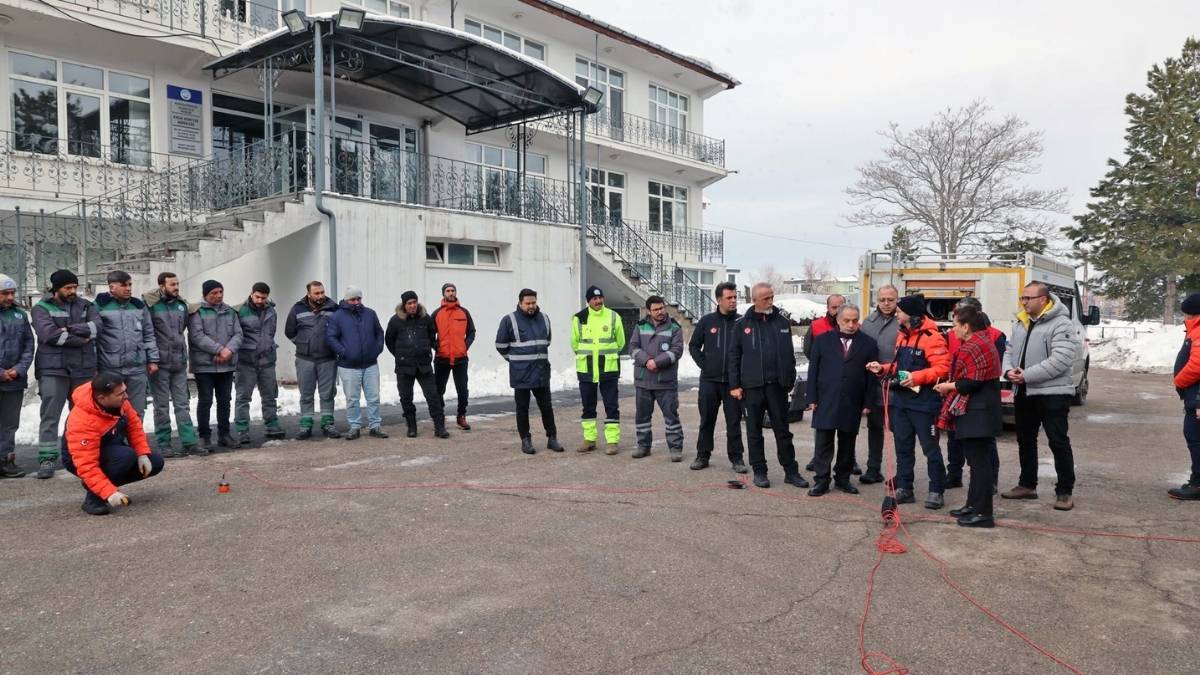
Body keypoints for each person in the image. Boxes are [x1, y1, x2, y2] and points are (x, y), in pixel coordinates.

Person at [866, 294, 950, 509]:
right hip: (902, 402)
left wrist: (917, 377)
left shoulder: (933, 336)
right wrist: (882, 368)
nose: (896, 314)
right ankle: (905, 487)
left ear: (911, 315)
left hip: (924, 404)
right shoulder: (902, 335)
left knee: (930, 449)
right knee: (903, 446)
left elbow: (942, 369)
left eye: (900, 311)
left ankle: (936, 490)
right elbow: (897, 367)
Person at [1000, 282, 1078, 511]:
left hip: (1053, 394)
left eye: (1028, 298)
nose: (1023, 302)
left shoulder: (1061, 323)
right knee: (1025, 440)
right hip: (1025, 391)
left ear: (1043, 299)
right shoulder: (1022, 322)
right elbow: (1009, 350)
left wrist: (1027, 375)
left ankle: (1064, 491)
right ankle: (1027, 485)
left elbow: (1061, 360)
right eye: (1022, 298)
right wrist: (1008, 371)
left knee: (1058, 441)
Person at [729, 282, 808, 489]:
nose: (771, 301)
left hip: (777, 387)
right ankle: (760, 471)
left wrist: (789, 379)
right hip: (751, 388)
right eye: (766, 298)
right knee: (754, 431)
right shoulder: (741, 325)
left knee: (783, 431)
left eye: (772, 297)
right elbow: (734, 357)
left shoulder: (782, 323)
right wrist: (735, 385)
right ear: (755, 300)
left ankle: (791, 471)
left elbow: (789, 354)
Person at [934, 304, 1003, 527]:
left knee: (980, 464)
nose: (952, 330)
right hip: (976, 411)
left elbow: (972, 382)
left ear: (966, 326)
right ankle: (973, 505)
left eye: (954, 325)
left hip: (978, 412)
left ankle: (983, 513)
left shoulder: (976, 345)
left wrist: (948, 386)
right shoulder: (979, 341)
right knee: (975, 462)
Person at [61, 372, 164, 516]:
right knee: (126, 456)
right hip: (78, 460)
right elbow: (86, 465)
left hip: (112, 450)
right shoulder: (83, 421)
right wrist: (109, 493)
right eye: (121, 394)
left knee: (156, 462)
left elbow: (134, 425)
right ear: (102, 398)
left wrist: (142, 454)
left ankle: (101, 486)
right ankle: (94, 498)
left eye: (125, 391)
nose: (126, 396)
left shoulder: (119, 401)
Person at [31, 269, 99, 479]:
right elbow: (49, 335)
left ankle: (77, 456)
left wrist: (68, 330)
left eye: (75, 287)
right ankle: (47, 458)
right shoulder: (41, 308)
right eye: (68, 288)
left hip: (82, 368)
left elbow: (97, 327)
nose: (72, 291)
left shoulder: (87, 305)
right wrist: (81, 338)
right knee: (50, 415)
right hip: (54, 369)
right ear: (56, 289)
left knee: (82, 416)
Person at [806, 303, 877, 496]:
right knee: (823, 443)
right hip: (825, 398)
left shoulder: (868, 343)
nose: (851, 324)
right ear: (838, 320)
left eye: (855, 320)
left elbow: (872, 377)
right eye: (847, 320)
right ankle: (821, 480)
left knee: (847, 443)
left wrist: (868, 403)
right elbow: (813, 371)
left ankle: (843, 479)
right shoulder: (822, 341)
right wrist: (811, 397)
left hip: (853, 400)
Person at [944, 297, 1006, 492]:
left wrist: (952, 385)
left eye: (958, 319)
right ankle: (955, 476)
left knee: (982, 449)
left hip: (975, 400)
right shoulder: (953, 335)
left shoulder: (993, 337)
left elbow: (984, 373)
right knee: (955, 440)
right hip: (958, 395)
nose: (954, 326)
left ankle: (989, 484)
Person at [688, 281, 747, 473]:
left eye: (735, 297)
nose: (733, 301)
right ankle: (702, 455)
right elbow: (694, 346)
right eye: (729, 298)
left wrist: (740, 374)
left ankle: (737, 458)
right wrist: (706, 365)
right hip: (709, 382)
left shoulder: (742, 322)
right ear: (719, 299)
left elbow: (748, 351)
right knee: (707, 420)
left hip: (733, 383)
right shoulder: (707, 322)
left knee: (734, 422)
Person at [495, 288, 561, 454]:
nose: (531, 306)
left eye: (533, 302)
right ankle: (526, 440)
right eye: (527, 303)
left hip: (541, 372)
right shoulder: (509, 320)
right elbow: (501, 345)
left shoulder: (544, 318)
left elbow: (547, 341)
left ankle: (552, 438)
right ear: (520, 303)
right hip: (521, 374)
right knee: (522, 409)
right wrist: (516, 360)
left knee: (546, 407)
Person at [144, 272, 199, 457]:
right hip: (159, 364)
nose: (176, 287)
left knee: (182, 404)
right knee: (161, 406)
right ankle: (164, 443)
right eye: (172, 284)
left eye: (177, 284)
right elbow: (148, 332)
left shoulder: (181, 305)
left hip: (179, 362)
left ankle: (189, 442)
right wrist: (152, 359)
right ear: (161, 286)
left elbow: (181, 330)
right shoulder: (151, 305)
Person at [94, 270, 159, 424]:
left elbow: (148, 334)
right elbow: (94, 339)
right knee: (110, 411)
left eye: (130, 285)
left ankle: (135, 447)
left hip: (137, 367)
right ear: (112, 287)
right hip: (110, 368)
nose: (129, 288)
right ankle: (115, 446)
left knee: (136, 411)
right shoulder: (99, 306)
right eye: (124, 285)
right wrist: (94, 367)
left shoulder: (138, 306)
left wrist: (153, 359)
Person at [188, 279, 242, 452]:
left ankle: (224, 435)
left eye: (220, 292)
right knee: (205, 401)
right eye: (214, 293)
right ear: (205, 295)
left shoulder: (230, 312)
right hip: (205, 365)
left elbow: (238, 334)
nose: (218, 296)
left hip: (226, 365)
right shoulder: (197, 312)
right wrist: (220, 350)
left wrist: (228, 351)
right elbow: (197, 336)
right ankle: (204, 437)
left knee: (225, 400)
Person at [327, 286, 386, 440]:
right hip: (348, 365)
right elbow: (331, 337)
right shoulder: (337, 316)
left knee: (373, 397)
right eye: (353, 299)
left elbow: (379, 333)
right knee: (352, 398)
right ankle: (355, 426)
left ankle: (375, 426)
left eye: (359, 298)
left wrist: (377, 349)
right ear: (346, 300)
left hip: (370, 364)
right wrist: (344, 352)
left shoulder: (370, 314)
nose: (356, 302)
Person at [630, 295, 685, 461]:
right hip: (643, 380)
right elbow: (632, 347)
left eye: (662, 308)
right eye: (656, 309)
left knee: (671, 416)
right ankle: (643, 446)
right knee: (642, 416)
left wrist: (657, 362)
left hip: (665, 382)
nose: (660, 312)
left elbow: (677, 350)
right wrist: (646, 361)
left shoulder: (674, 327)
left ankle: (675, 448)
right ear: (649, 311)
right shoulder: (640, 326)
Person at [284, 281, 342, 440]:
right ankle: (306, 425)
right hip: (305, 359)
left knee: (327, 393)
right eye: (316, 293)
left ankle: (328, 423)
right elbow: (289, 331)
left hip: (327, 358)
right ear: (309, 294)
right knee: (306, 393)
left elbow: (339, 331)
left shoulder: (334, 308)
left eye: (322, 292)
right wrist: (303, 343)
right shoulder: (297, 308)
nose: (320, 296)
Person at [571, 286, 625, 455]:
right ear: (588, 301)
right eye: (594, 299)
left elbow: (621, 342)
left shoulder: (613, 316)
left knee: (611, 405)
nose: (598, 301)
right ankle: (589, 439)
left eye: (600, 298)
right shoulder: (579, 318)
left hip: (608, 369)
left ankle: (612, 441)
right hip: (586, 369)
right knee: (588, 406)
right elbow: (574, 343)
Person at [386, 290, 445, 439]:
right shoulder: (395, 321)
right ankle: (411, 426)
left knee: (433, 396)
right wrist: (401, 355)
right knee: (406, 397)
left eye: (414, 302)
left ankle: (439, 427)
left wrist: (432, 349)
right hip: (404, 367)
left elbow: (432, 337)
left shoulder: (425, 318)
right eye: (409, 303)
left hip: (424, 365)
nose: (412, 305)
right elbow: (389, 341)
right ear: (404, 305)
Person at [858, 284, 900, 484]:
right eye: (882, 299)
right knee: (874, 431)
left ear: (897, 300)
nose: (885, 303)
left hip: (898, 388)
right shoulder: (868, 323)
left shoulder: (903, 322)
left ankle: (902, 474)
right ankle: (873, 469)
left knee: (901, 434)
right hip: (873, 389)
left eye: (890, 300)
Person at [234, 282, 283, 446]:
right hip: (246, 362)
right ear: (251, 293)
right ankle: (242, 431)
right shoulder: (240, 310)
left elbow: (271, 333)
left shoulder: (271, 311)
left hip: (267, 360)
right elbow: (236, 334)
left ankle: (272, 425)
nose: (260, 300)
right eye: (257, 296)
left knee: (270, 396)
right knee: (243, 398)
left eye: (263, 297)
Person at [0, 274, 33, 478]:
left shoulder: (20, 315)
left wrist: (18, 369)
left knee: (10, 423)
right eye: (5, 293)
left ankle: (5, 460)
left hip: (14, 380)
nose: (10, 297)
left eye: (12, 293)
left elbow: (29, 345)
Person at [431, 282, 476, 431]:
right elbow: (429, 334)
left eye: (453, 290)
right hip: (442, 358)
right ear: (443, 294)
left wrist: (465, 345)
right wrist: (436, 346)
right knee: (439, 389)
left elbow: (471, 332)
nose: (451, 293)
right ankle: (440, 416)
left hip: (460, 358)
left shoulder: (464, 312)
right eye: (448, 291)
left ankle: (461, 416)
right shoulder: (437, 314)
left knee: (462, 390)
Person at [1170, 292, 1200, 500]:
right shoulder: (1195, 330)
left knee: (1195, 438)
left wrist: (1179, 380)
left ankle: (1198, 484)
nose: (1185, 318)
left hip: (1197, 396)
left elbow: (1197, 365)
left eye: (1188, 314)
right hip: (1195, 395)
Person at [802, 293, 845, 359]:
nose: (838, 310)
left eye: (841, 307)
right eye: (834, 307)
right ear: (827, 308)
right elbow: (808, 351)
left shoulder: (855, 327)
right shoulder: (815, 326)